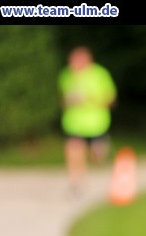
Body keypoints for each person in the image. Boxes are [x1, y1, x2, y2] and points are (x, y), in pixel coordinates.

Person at [58, 45, 117, 193]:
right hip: (74, 124)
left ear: (88, 60)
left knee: (97, 158)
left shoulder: (100, 74)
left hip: (97, 123)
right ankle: (76, 183)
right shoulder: (66, 75)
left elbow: (111, 99)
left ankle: (102, 148)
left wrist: (90, 99)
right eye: (71, 60)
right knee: (74, 152)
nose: (73, 64)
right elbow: (63, 100)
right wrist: (69, 101)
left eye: (77, 60)